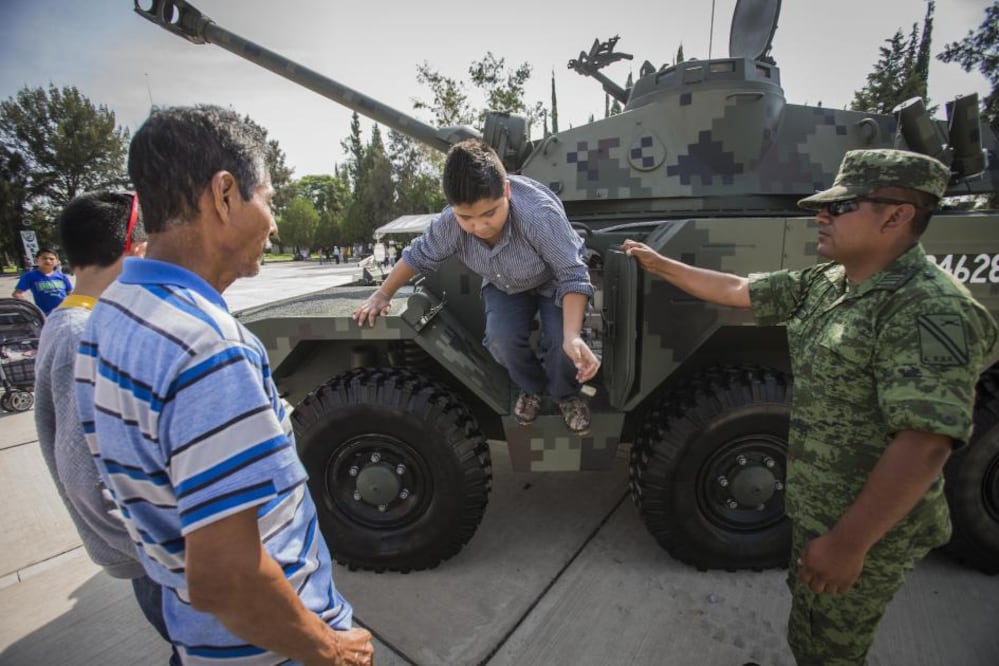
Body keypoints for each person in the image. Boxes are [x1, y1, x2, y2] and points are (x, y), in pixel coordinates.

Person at [623, 149, 997, 666]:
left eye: (840, 206)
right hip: (819, 504)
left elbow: (924, 443)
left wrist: (849, 543)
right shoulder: (829, 283)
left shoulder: (931, 308)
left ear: (896, 216)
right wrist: (659, 264)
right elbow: (738, 289)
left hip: (870, 524)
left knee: (835, 644)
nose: (821, 215)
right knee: (811, 620)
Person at [73, 105, 373, 666]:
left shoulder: (110, 316)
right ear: (225, 194)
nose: (274, 223)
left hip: (200, 636)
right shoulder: (208, 348)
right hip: (271, 650)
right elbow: (229, 577)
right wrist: (330, 649)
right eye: (270, 199)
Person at [353, 138, 600, 433]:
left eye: (490, 213)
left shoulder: (539, 215)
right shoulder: (449, 224)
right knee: (500, 341)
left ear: (506, 191)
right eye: (466, 218)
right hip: (504, 283)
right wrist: (383, 294)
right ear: (452, 208)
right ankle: (531, 388)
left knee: (562, 345)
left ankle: (565, 395)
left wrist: (572, 335)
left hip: (554, 279)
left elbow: (572, 273)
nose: (480, 227)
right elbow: (416, 256)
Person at [33, 191, 183, 662]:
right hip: (159, 566)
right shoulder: (82, 336)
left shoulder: (79, 322)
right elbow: (85, 477)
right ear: (136, 250)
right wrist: (170, 554)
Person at [12, 248, 73, 314]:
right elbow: (17, 294)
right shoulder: (30, 276)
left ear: (57, 262)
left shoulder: (62, 276)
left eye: (51, 259)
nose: (48, 261)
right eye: (44, 258)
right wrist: (30, 307)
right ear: (36, 260)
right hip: (45, 314)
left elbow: (70, 293)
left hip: (65, 312)